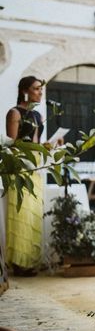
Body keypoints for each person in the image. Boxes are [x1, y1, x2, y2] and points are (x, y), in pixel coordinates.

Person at [4, 76, 45, 276]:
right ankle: (19, 262)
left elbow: (36, 143)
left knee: (34, 212)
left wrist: (49, 146)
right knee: (21, 213)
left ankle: (31, 259)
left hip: (36, 166)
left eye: (41, 89)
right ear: (25, 91)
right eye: (37, 89)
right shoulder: (14, 113)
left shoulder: (37, 115)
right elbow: (11, 145)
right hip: (19, 167)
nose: (40, 92)